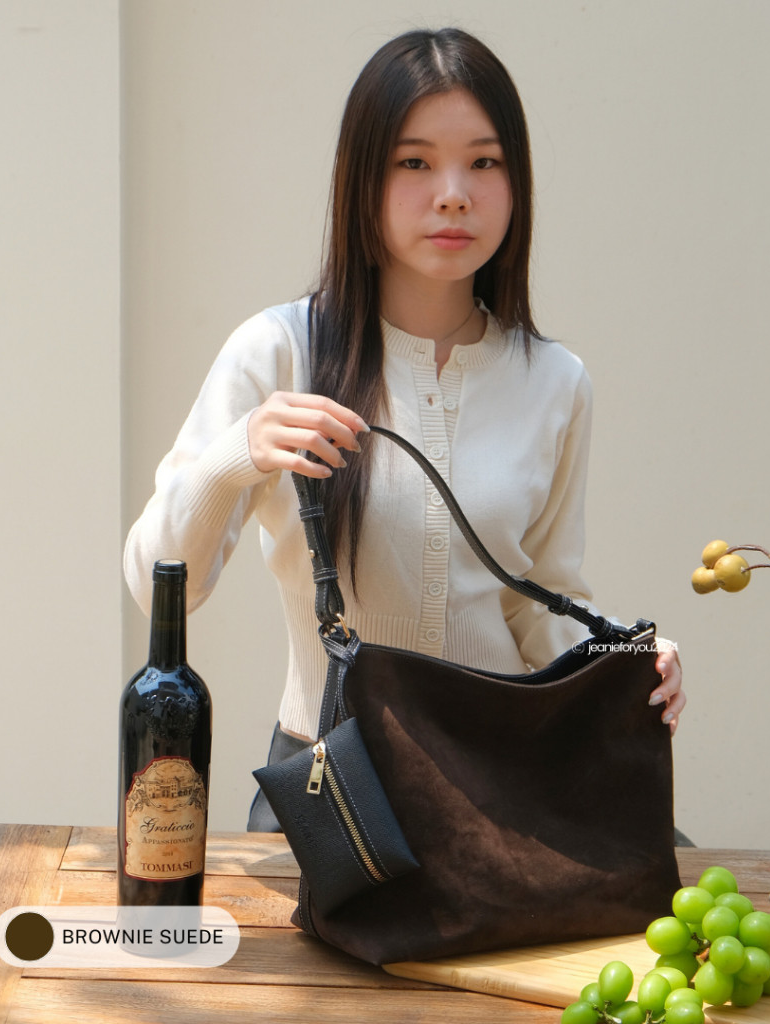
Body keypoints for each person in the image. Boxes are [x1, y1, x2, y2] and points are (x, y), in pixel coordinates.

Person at [124, 27, 685, 831]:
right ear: (363, 180)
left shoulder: (556, 382)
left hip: (499, 793)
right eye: (414, 162)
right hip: (332, 785)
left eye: (484, 163)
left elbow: (537, 609)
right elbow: (155, 583)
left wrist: (627, 660)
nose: (453, 193)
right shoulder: (281, 350)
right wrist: (234, 457)